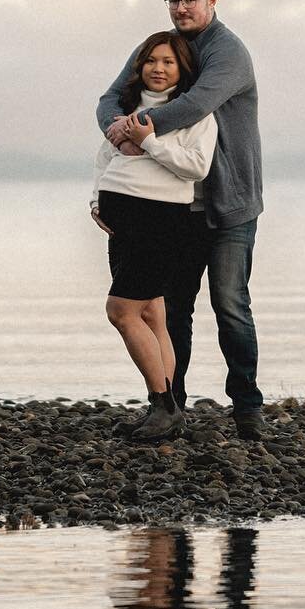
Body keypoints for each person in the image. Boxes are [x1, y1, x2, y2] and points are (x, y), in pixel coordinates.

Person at [98, 0, 266, 440]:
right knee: (173, 309)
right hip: (176, 205)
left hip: (230, 200)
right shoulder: (159, 47)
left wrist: (139, 131)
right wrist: (119, 132)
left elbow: (194, 106)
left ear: (212, 0)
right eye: (173, 0)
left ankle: (247, 408)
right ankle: (172, 405)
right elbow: (112, 98)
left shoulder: (228, 52)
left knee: (231, 304)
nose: (181, 8)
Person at [91, 30, 217, 442]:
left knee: (121, 311)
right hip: (122, 221)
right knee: (151, 314)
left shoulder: (195, 113)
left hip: (161, 222)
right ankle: (167, 409)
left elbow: (196, 168)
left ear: (182, 69)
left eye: (168, 62)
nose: (158, 69)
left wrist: (149, 143)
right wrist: (96, 200)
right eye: (151, 61)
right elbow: (104, 156)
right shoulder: (126, 109)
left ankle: (163, 405)